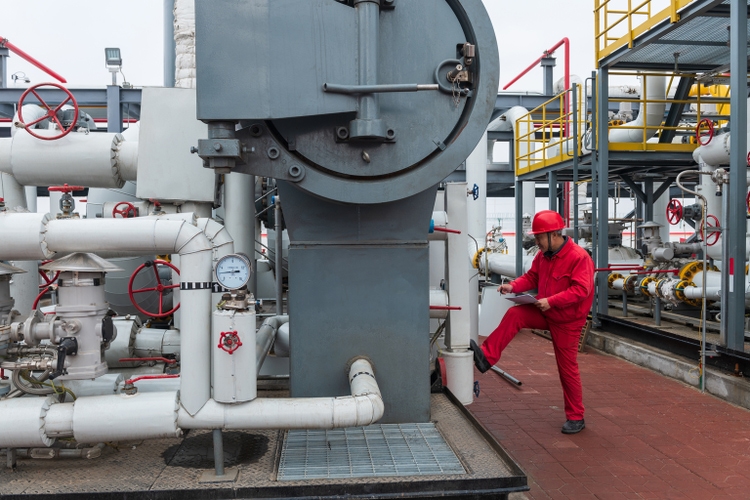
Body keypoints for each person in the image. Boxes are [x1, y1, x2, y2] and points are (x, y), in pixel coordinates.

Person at [469, 209, 595, 434]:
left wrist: (552, 301)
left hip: (567, 321)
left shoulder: (578, 257)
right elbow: (532, 277)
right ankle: (486, 357)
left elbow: (581, 290)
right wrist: (513, 286)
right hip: (547, 310)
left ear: (553, 234)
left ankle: (576, 417)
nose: (535, 240)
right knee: (515, 314)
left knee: (567, 369)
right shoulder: (543, 255)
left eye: (538, 237)